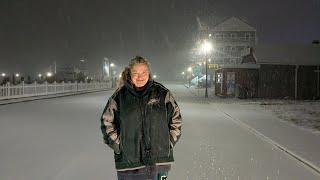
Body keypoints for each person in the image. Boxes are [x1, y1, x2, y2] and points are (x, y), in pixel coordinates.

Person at [100, 56, 182, 180]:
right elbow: (107, 121)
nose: (140, 76)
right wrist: (119, 145)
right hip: (129, 164)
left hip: (159, 161)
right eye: (135, 73)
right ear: (129, 74)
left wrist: (168, 142)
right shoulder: (119, 97)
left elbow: (176, 118)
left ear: (148, 73)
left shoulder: (162, 93)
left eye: (143, 72)